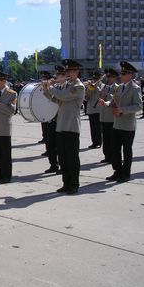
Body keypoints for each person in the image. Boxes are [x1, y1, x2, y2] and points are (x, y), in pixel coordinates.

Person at [43, 59, 85, 195]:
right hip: (61, 125)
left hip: (71, 125)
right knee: (63, 157)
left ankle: (74, 184)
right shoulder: (65, 85)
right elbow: (56, 99)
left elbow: (64, 96)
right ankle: (66, 183)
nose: (68, 73)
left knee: (72, 158)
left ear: (77, 72)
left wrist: (51, 87)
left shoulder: (78, 86)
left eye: (70, 71)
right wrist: (45, 89)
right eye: (66, 71)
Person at [103, 61, 142, 182]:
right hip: (117, 123)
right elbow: (115, 101)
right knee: (115, 149)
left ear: (131, 75)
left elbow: (138, 106)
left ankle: (125, 173)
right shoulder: (120, 87)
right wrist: (106, 103)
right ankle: (117, 171)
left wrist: (123, 110)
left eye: (125, 73)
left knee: (127, 150)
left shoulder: (135, 88)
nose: (122, 75)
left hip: (128, 125)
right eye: (122, 73)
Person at [42, 65, 66, 174]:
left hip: (61, 119)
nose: (55, 77)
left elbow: (60, 97)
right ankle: (53, 165)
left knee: (60, 146)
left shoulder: (65, 88)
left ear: (63, 76)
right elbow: (51, 99)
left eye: (58, 75)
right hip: (52, 118)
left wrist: (51, 87)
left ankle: (62, 165)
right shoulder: (56, 87)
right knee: (50, 144)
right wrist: (45, 88)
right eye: (55, 75)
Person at [96, 68, 119, 164]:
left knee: (112, 139)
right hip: (104, 116)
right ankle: (107, 155)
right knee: (105, 138)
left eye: (110, 77)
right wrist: (100, 93)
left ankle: (113, 157)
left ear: (115, 78)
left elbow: (116, 100)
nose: (108, 79)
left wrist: (107, 95)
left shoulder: (117, 87)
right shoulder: (105, 87)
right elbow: (99, 99)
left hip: (111, 117)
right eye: (108, 76)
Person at [85, 70, 103, 148]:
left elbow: (101, 94)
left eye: (96, 78)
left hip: (98, 109)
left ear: (99, 78)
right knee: (92, 127)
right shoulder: (90, 86)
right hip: (90, 109)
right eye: (94, 78)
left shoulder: (102, 85)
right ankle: (94, 141)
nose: (94, 80)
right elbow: (86, 98)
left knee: (98, 127)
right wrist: (88, 89)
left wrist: (95, 87)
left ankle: (99, 141)